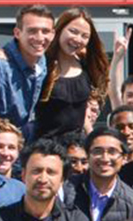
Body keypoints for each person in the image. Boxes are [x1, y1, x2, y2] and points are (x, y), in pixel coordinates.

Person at [0, 5, 53, 140]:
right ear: (17, 33)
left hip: (22, 151)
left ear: (53, 34)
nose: (40, 38)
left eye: (45, 31)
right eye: (32, 31)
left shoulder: (43, 65)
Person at [35, 8, 118, 141]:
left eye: (84, 36)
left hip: (77, 149)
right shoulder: (41, 65)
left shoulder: (86, 66)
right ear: (59, 29)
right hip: (46, 148)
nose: (78, 39)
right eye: (73, 32)